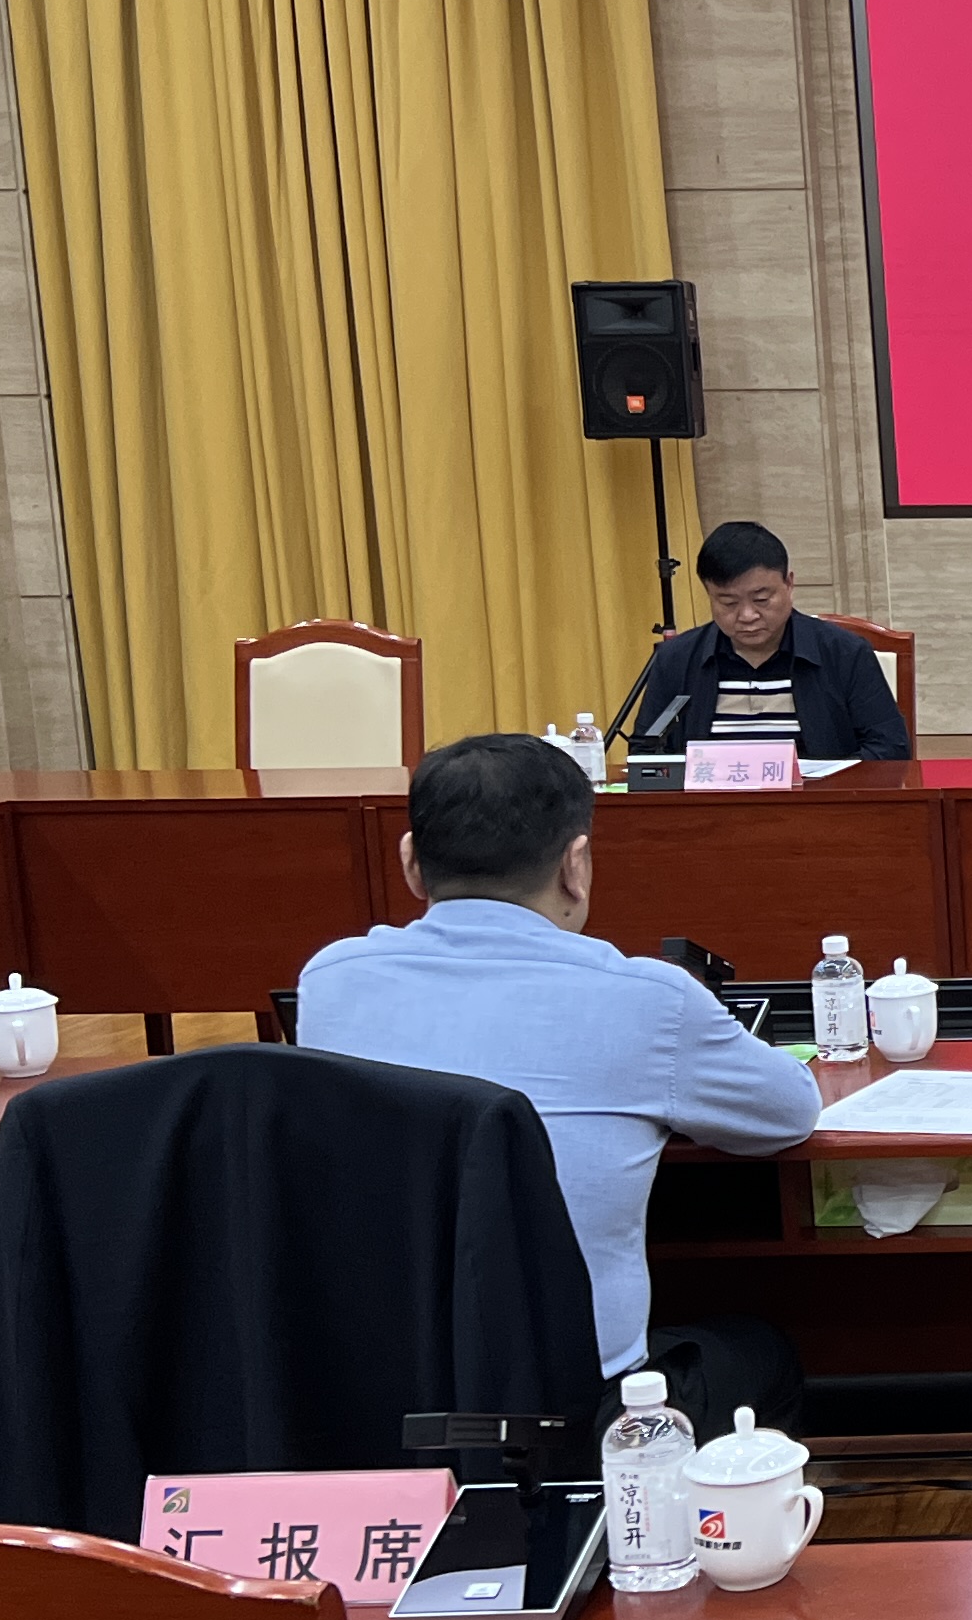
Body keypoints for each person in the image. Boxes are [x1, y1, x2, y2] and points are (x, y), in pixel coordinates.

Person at [296, 732, 823, 1427]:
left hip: (382, 1389)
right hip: (575, 1403)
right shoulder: (647, 998)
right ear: (576, 864)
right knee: (760, 1350)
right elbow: (789, 1113)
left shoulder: (331, 979)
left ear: (412, 863)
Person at [619, 519, 912, 760]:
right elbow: (645, 753)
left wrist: (827, 785)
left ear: (789, 584)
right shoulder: (677, 658)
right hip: (711, 810)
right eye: (728, 603)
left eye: (761, 599)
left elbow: (890, 749)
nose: (747, 615)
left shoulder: (844, 653)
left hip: (814, 807)